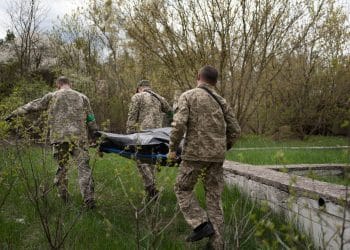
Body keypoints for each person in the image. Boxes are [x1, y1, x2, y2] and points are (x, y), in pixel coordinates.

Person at [168, 66, 241, 249]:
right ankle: (217, 244)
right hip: (217, 157)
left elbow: (179, 125)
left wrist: (172, 148)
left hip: (194, 154)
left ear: (198, 77)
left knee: (182, 188)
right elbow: (236, 130)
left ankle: (200, 224)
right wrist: (223, 147)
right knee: (214, 199)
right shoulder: (221, 101)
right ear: (215, 82)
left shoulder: (188, 96)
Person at [6, 76, 98, 208]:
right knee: (83, 168)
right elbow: (90, 117)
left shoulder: (52, 96)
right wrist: (95, 134)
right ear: (69, 84)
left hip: (59, 138)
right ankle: (89, 200)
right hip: (79, 139)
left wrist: (14, 114)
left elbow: (32, 105)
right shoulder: (82, 97)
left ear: (58, 85)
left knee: (62, 168)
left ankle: (65, 199)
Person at [126, 79, 172, 198]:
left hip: (143, 134)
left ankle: (150, 187)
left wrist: (129, 136)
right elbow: (169, 110)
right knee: (151, 160)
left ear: (139, 88)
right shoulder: (159, 98)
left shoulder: (137, 97)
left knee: (140, 159)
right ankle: (152, 189)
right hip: (157, 134)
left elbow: (132, 117)